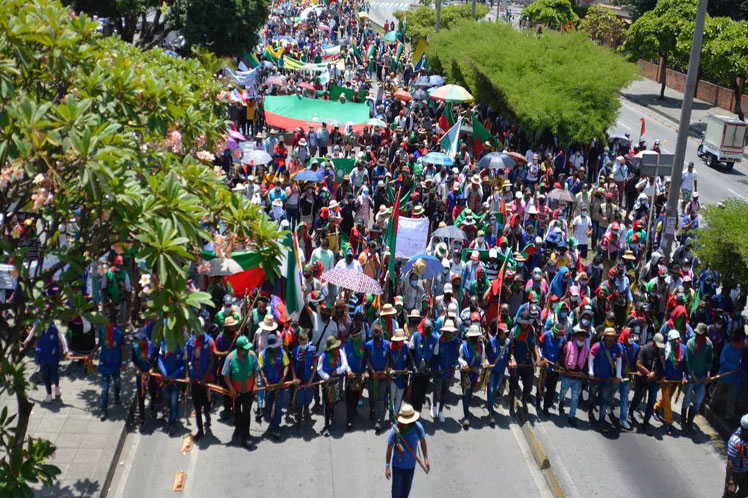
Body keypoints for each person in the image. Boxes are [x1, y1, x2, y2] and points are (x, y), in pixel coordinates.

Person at [385, 402, 430, 498]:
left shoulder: (418, 428)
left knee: (405, 493)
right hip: (398, 467)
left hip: (411, 467)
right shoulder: (395, 430)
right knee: (396, 494)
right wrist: (387, 466)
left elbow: (423, 442)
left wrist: (426, 458)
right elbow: (389, 448)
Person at [222, 335, 258, 448]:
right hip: (236, 393)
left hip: (249, 391)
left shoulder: (252, 355)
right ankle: (238, 429)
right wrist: (231, 389)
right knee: (237, 412)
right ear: (238, 348)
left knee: (246, 413)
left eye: (248, 348)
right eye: (245, 349)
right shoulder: (230, 358)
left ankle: (246, 436)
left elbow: (256, 370)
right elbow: (226, 375)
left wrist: (256, 384)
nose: (247, 350)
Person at [185, 325, 217, 440]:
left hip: (206, 381)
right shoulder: (190, 343)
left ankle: (207, 418)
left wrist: (205, 377)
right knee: (197, 406)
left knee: (206, 404)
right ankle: (200, 430)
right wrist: (189, 375)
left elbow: (212, 361)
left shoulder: (209, 342)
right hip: (194, 380)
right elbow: (188, 360)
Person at [24, 323, 69, 403]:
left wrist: (65, 349)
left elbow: (62, 337)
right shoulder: (38, 323)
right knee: (45, 375)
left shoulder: (56, 324)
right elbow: (32, 332)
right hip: (43, 353)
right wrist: (27, 340)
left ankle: (57, 387)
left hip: (53, 353)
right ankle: (49, 394)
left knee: (54, 373)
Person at [588, 327, 622, 429]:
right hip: (595, 378)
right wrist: (591, 371)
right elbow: (591, 358)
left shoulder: (617, 348)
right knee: (592, 396)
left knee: (604, 399)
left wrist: (618, 375)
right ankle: (590, 409)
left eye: (613, 337)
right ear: (605, 337)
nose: (611, 339)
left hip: (608, 379)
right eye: (609, 337)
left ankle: (601, 419)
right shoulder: (597, 346)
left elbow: (619, 361)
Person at [654, 329, 687, 434]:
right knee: (667, 401)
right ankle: (668, 422)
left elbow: (686, 365)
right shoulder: (665, 350)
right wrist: (662, 376)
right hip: (666, 379)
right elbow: (661, 364)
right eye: (673, 340)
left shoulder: (684, 349)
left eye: (677, 339)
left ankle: (657, 407)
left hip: (677, 379)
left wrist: (685, 376)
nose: (676, 342)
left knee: (667, 398)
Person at [258, 333, 290, 439]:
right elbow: (261, 369)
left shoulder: (282, 352)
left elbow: (286, 365)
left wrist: (283, 378)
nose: (276, 348)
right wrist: (265, 381)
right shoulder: (262, 354)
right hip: (268, 385)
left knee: (278, 406)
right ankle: (270, 420)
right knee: (269, 404)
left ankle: (276, 426)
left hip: (279, 384)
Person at [631, 332, 665, 431]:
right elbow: (638, 364)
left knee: (652, 400)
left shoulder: (661, 352)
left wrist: (657, 374)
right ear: (653, 342)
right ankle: (631, 410)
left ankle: (646, 421)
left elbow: (662, 365)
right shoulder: (645, 349)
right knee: (638, 396)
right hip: (643, 378)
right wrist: (648, 373)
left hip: (654, 380)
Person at [683, 323, 713, 432]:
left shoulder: (709, 345)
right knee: (687, 398)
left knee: (698, 400)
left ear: (705, 335)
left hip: (702, 377)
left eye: (700, 334)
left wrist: (708, 375)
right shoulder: (690, 344)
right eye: (697, 334)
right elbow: (688, 362)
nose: (698, 336)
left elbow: (709, 361)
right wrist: (693, 376)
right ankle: (683, 420)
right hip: (691, 376)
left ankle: (690, 422)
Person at [317, 335, 350, 436]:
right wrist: (327, 377)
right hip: (327, 383)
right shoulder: (323, 355)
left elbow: (345, 365)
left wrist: (337, 371)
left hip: (336, 382)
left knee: (334, 400)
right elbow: (319, 369)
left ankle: (332, 413)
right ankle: (326, 425)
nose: (335, 349)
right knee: (327, 403)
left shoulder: (340, 353)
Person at [559, 326, 590, 427]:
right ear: (575, 337)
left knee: (575, 398)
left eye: (583, 336)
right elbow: (561, 357)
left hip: (578, 377)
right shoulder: (568, 345)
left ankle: (572, 416)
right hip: (567, 374)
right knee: (563, 392)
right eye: (580, 336)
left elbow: (586, 363)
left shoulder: (586, 350)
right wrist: (565, 369)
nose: (582, 338)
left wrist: (583, 372)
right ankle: (561, 402)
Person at [458, 324, 486, 428]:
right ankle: (466, 417)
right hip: (466, 374)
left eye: (476, 337)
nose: (474, 338)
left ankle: (467, 408)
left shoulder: (481, 346)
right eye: (472, 337)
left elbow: (483, 359)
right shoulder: (463, 346)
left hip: (475, 374)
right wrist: (463, 363)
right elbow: (459, 358)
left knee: (470, 394)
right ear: (469, 336)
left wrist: (484, 364)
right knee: (465, 394)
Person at [433, 318, 460, 423]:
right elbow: (435, 355)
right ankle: (434, 406)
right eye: (446, 332)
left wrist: (454, 366)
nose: (448, 334)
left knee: (445, 391)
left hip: (449, 371)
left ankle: (440, 411)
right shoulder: (438, 340)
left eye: (450, 332)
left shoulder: (456, 342)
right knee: (437, 390)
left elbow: (456, 356)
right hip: (439, 370)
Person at [157, 337, 186, 434]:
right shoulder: (163, 346)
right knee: (166, 399)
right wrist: (165, 374)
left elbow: (183, 365)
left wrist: (173, 376)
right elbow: (160, 361)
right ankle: (171, 415)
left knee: (174, 402)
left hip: (175, 381)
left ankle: (172, 422)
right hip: (165, 380)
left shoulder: (180, 347)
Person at [97, 321, 125, 421]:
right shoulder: (101, 332)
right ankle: (103, 410)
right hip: (105, 365)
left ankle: (117, 396)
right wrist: (91, 354)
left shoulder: (119, 333)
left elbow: (122, 348)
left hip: (116, 365)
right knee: (105, 389)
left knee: (117, 383)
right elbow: (99, 344)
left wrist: (124, 362)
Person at [366, 322, 391, 431]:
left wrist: (384, 370)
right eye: (375, 332)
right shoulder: (368, 345)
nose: (377, 334)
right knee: (372, 396)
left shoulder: (387, 344)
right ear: (372, 333)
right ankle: (372, 410)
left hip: (383, 376)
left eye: (379, 332)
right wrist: (372, 371)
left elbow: (388, 359)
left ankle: (379, 421)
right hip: (373, 376)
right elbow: (367, 359)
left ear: (382, 333)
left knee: (381, 398)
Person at [291, 330, 316, 424]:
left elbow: (315, 366)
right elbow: (292, 365)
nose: (303, 345)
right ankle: (298, 412)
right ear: (298, 341)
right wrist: (294, 377)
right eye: (302, 343)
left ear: (308, 340)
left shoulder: (312, 350)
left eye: (305, 343)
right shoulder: (294, 350)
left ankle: (306, 407)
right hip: (298, 378)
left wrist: (311, 379)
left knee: (309, 396)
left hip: (308, 377)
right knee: (299, 397)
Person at [389, 329, 412, 422]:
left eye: (401, 341)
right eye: (398, 341)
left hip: (402, 378)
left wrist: (407, 368)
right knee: (392, 397)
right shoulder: (390, 348)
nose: (400, 343)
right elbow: (387, 362)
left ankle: (395, 415)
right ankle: (391, 414)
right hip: (393, 378)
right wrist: (390, 370)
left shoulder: (406, 347)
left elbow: (409, 361)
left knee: (399, 398)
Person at [725, 414, 748, 498]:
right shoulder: (735, 442)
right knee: (729, 494)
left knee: (743, 494)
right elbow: (730, 464)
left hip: (746, 472)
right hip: (735, 474)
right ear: (745, 430)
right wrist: (731, 481)